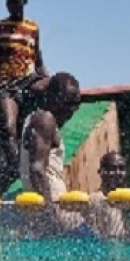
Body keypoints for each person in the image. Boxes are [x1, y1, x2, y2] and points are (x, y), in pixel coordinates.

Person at [0, 0, 50, 166]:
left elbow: (38, 60)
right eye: (10, 2)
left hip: (28, 80)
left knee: (57, 86)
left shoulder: (33, 28)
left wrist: (48, 79)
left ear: (25, 2)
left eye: (17, 2)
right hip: (6, 83)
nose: (13, 5)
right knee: (8, 127)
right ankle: (16, 168)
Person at [20, 73, 81, 203]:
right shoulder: (45, 121)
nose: (71, 110)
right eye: (68, 102)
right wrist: (50, 212)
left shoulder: (37, 120)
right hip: (53, 203)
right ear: (51, 97)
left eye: (76, 104)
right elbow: (37, 169)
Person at [88, 151, 127, 240]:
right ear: (101, 172)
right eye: (112, 168)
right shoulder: (98, 200)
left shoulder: (124, 201)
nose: (117, 172)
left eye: (121, 168)